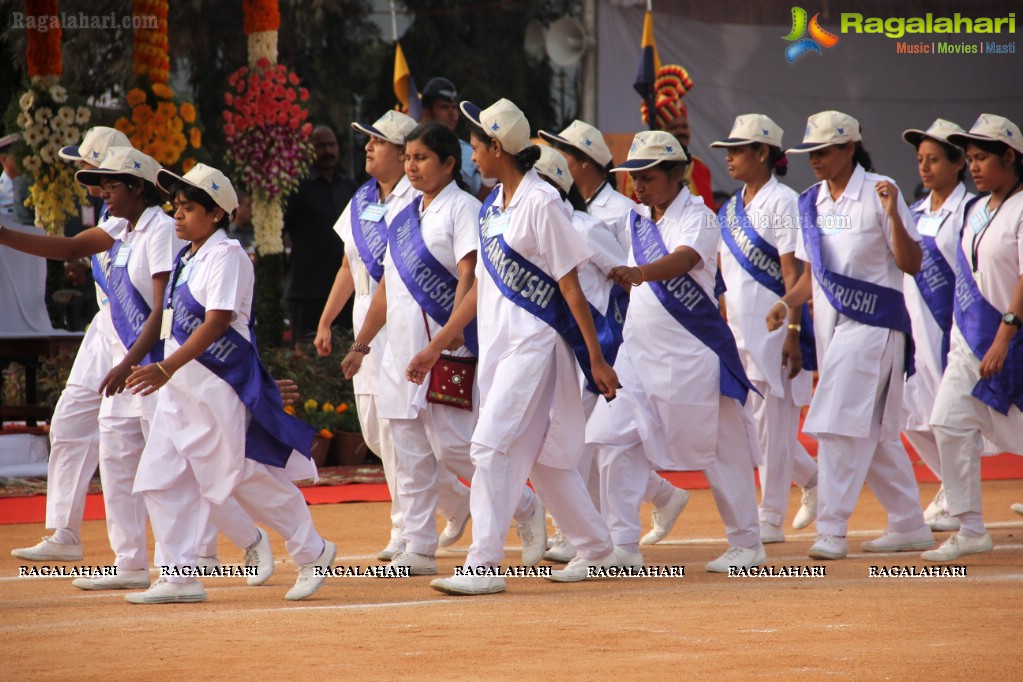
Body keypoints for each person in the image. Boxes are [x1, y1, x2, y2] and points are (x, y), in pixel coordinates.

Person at [408, 98, 622, 594]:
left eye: (477, 145)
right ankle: (596, 549)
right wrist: (436, 346)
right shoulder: (491, 209)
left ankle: (482, 565)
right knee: (544, 460)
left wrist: (595, 358)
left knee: (488, 445)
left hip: (536, 347)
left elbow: (569, 286)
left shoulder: (541, 202)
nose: (471, 154)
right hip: (502, 349)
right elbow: (481, 286)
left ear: (498, 146)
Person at [124, 163, 335, 604]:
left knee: (244, 479)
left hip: (217, 391)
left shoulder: (228, 256)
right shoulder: (188, 258)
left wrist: (166, 368)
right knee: (159, 480)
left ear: (216, 213)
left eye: (186, 207)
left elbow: (218, 321)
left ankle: (313, 550)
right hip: (181, 393)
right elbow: (171, 324)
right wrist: (165, 370)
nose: (175, 215)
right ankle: (180, 576)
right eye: (175, 206)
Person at [341, 121, 543, 576]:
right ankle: (418, 547)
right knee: (408, 452)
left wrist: (444, 339)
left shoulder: (464, 209)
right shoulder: (402, 213)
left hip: (447, 350)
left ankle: (525, 505)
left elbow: (470, 278)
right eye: (408, 157)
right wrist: (361, 344)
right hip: (399, 353)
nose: (411, 166)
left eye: (422, 158)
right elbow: (387, 290)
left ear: (449, 164)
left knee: (457, 449)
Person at [588, 130, 765, 573]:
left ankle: (747, 544)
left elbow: (686, 260)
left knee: (721, 451)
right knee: (612, 439)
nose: (638, 186)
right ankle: (623, 546)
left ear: (676, 173)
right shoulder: (638, 220)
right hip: (637, 355)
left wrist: (639, 271)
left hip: (693, 356)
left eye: (646, 176)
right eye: (632, 177)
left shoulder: (701, 217)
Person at [2, 146, 175, 591]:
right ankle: (131, 563)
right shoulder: (121, 225)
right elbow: (70, 248)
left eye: (107, 181)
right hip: (121, 353)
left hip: (150, 362)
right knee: (117, 459)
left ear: (136, 184)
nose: (100, 190)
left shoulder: (159, 229)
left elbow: (160, 310)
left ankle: (207, 557)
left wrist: (129, 362)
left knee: (179, 465)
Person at [769, 110, 935, 560]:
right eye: (810, 153)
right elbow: (812, 278)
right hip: (832, 331)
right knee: (872, 434)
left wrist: (892, 217)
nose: (815, 160)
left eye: (822, 151)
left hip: (875, 328)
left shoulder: (881, 191)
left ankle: (832, 528)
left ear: (848, 148)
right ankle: (909, 524)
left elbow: (911, 263)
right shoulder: (811, 202)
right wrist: (787, 306)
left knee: (836, 425)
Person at [315, 111, 470, 561]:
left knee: (425, 438)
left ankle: (408, 531)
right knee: (384, 437)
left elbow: (461, 274)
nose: (367, 147)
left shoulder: (422, 198)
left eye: (378, 141)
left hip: (419, 327)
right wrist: (331, 322)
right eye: (366, 139)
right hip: (374, 321)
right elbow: (351, 266)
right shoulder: (365, 199)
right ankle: (445, 509)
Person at [539, 120, 690, 549]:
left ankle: (584, 533)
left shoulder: (619, 212)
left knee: (591, 436)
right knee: (586, 436)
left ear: (584, 161)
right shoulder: (575, 210)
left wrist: (612, 335)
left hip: (608, 337)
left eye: (562, 154)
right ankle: (657, 496)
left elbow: (627, 274)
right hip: (572, 335)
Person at [10, 127, 131, 563]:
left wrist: (3, 234)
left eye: (83, 165)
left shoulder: (126, 210)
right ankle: (64, 533)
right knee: (68, 422)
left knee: (165, 445)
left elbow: (68, 248)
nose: (78, 172)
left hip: (141, 337)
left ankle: (237, 535)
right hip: (106, 329)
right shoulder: (108, 209)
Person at [710, 114, 819, 543]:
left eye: (738, 150)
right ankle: (813, 479)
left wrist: (793, 330)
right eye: (729, 151)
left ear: (763, 153)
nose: (731, 158)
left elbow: (793, 273)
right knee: (753, 429)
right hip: (738, 332)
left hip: (775, 332)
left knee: (773, 424)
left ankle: (770, 516)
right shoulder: (731, 207)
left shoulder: (784, 202)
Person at [921, 114, 1023, 561]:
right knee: (947, 419)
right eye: (971, 158)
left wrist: (1004, 335)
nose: (974, 166)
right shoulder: (975, 209)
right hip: (969, 340)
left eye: (983, 157)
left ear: (1010, 156)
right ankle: (971, 528)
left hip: (1011, 340)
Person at [900, 119, 974, 533]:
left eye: (933, 160)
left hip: (956, 330)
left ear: (959, 163)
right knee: (913, 415)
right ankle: (950, 485)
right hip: (917, 330)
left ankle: (958, 498)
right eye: (920, 160)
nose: (924, 168)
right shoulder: (913, 213)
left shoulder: (969, 210)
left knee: (961, 417)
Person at [284, 125, 357, 343]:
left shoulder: (349, 186)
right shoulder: (295, 187)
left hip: (344, 289)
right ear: (309, 150)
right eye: (321, 145)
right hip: (307, 290)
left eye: (332, 145)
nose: (328, 150)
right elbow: (281, 230)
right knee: (307, 356)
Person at [636, 65, 713, 207]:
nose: (681, 132)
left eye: (684, 127)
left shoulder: (701, 168)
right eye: (673, 128)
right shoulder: (640, 171)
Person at [421, 77, 482, 198]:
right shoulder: (409, 148)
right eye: (444, 107)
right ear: (427, 111)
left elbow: (481, 197)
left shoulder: (470, 151)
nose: (452, 113)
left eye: (454, 107)